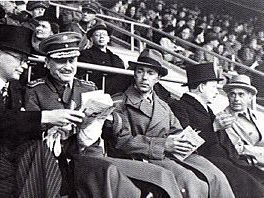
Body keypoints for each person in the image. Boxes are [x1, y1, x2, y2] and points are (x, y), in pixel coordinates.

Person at [25, 32, 184, 198]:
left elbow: (114, 132)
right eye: (60, 61)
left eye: (72, 61)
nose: (67, 66)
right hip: (56, 160)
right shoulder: (35, 90)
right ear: (47, 63)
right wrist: (53, 130)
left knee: (153, 178)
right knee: (112, 177)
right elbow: (30, 130)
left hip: (90, 155)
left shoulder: (88, 87)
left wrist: (110, 119)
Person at [0, 24, 75, 197]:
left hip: (7, 160)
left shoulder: (15, 87)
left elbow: (18, 126)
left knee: (42, 154)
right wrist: (45, 116)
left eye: (26, 61)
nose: (24, 66)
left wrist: (50, 129)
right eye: (20, 59)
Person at [107, 49, 235, 198]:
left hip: (171, 154)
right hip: (142, 158)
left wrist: (183, 140)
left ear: (158, 78)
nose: (144, 78)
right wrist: (163, 144)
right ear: (134, 74)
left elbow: (176, 130)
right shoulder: (119, 103)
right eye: (140, 71)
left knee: (216, 176)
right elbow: (123, 142)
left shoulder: (163, 105)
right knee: (191, 181)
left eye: (150, 73)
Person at [169, 63, 264, 197]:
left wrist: (237, 158)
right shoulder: (180, 106)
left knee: (257, 177)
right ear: (202, 87)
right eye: (213, 87)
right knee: (250, 185)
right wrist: (214, 127)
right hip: (207, 160)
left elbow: (224, 139)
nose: (216, 91)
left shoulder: (207, 109)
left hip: (226, 159)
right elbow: (185, 141)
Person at [214, 74, 264, 173]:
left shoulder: (259, 116)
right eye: (232, 94)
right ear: (228, 97)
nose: (236, 99)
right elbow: (237, 148)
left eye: (241, 94)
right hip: (249, 167)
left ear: (250, 97)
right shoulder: (223, 119)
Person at [78, 22, 131, 95]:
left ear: (108, 39)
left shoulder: (115, 57)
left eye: (104, 35)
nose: (101, 37)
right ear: (91, 39)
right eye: (97, 35)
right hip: (99, 87)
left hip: (117, 88)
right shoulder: (86, 54)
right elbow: (88, 74)